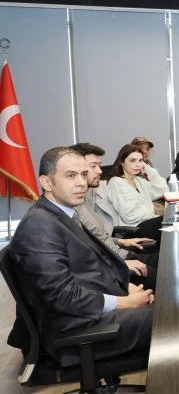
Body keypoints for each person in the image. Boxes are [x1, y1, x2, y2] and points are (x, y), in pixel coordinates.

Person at [10, 147, 154, 367]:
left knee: (171, 309)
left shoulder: (62, 213)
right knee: (172, 318)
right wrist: (125, 302)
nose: (81, 183)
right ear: (47, 182)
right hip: (76, 330)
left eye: (83, 174)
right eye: (70, 176)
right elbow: (63, 295)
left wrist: (125, 287)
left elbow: (92, 267)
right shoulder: (39, 225)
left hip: (88, 315)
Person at [70, 143, 158, 288]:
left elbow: (95, 237)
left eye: (99, 165)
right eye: (93, 166)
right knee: (166, 277)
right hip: (114, 262)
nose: (100, 171)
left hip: (117, 253)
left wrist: (121, 241)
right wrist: (120, 263)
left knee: (167, 260)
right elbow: (86, 252)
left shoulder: (85, 200)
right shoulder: (73, 208)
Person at [107, 144, 167, 227]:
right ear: (122, 162)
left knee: (173, 220)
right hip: (134, 228)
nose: (138, 165)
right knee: (171, 223)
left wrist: (147, 169)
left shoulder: (138, 180)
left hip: (148, 221)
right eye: (132, 161)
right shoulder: (116, 182)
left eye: (140, 160)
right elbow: (130, 215)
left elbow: (162, 191)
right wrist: (151, 209)